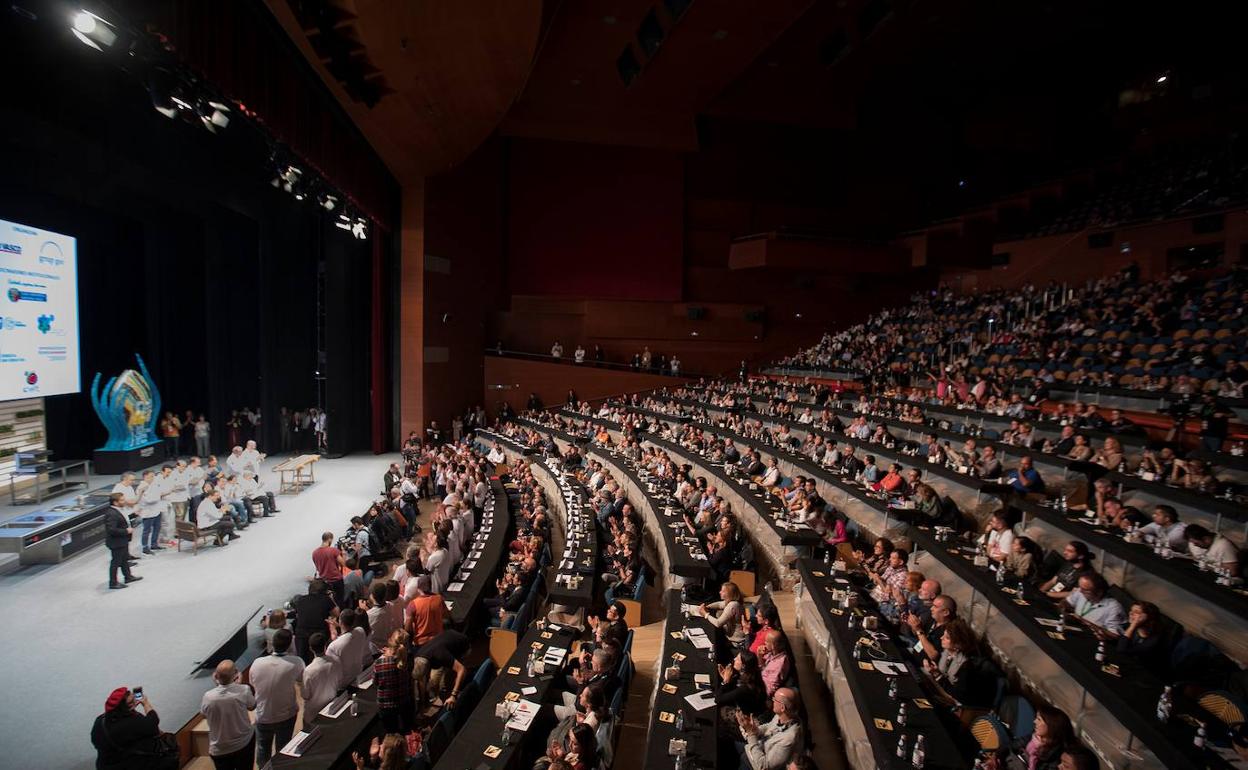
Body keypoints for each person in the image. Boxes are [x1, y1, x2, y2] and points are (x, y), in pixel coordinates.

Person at [249, 629, 305, 768]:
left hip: (263, 715)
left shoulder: (257, 663)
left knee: (263, 751)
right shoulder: (296, 662)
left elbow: (252, 682)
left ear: (272, 643)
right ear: (289, 645)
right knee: (283, 749)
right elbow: (301, 679)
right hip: (286, 714)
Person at [90, 687, 167, 770]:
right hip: (128, 765)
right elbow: (153, 722)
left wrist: (130, 709)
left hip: (104, 764)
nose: (135, 700)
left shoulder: (100, 720)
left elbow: (95, 741)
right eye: (131, 701)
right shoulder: (132, 722)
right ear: (124, 707)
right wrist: (145, 703)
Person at [199, 661, 256, 770]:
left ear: (216, 676)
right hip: (244, 743)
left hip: (220, 749)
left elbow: (203, 715)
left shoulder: (208, 697)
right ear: (235, 674)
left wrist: (221, 685)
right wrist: (237, 686)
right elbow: (252, 706)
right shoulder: (243, 690)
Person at [737, 687, 804, 770]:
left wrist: (751, 734)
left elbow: (763, 766)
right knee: (726, 742)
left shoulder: (789, 740)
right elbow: (768, 727)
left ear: (782, 708)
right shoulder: (784, 716)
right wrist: (753, 728)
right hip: (754, 749)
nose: (772, 701)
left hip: (752, 765)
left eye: (775, 699)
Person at [412, 629, 471, 709]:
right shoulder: (418, 656)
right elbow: (422, 680)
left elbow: (462, 669)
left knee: (452, 680)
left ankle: (458, 699)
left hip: (462, 646)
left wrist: (453, 695)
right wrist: (422, 703)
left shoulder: (440, 655)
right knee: (436, 682)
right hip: (445, 646)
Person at [375, 629, 414, 734]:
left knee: (391, 732)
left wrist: (385, 656)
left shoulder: (380, 662)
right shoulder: (408, 659)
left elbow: (376, 682)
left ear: (390, 642)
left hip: (386, 706)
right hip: (404, 702)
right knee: (406, 731)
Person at [292, 579, 338, 664]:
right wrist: (331, 599)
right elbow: (336, 613)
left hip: (301, 635)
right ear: (325, 591)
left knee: (303, 661)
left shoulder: (301, 599)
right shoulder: (326, 599)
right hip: (319, 635)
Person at [105, 493, 142, 590]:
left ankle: (128, 577)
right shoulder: (111, 513)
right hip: (117, 542)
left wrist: (134, 515)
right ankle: (113, 583)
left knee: (124, 560)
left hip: (123, 541)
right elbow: (111, 530)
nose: (124, 501)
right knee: (115, 563)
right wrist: (126, 531)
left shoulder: (119, 510)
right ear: (115, 502)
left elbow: (123, 520)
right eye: (122, 500)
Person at [1018, 706, 1074, 770]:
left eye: (1039, 719)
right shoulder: (1034, 737)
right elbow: (1012, 746)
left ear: (1051, 725)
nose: (1035, 721)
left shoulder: (1056, 755)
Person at [327, 609, 371, 687]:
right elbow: (348, 638)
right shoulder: (361, 631)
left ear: (340, 622)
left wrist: (333, 634)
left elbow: (331, 670)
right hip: (358, 673)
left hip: (343, 683)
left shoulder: (333, 646)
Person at [313, 532, 347, 604]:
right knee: (340, 600)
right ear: (329, 539)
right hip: (336, 580)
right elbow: (343, 564)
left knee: (329, 602)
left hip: (324, 582)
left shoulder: (314, 553)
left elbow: (318, 567)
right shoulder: (333, 550)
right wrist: (343, 553)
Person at [136, 470, 165, 554]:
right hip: (147, 512)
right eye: (151, 476)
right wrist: (158, 497)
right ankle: (145, 547)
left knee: (157, 528)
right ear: (145, 477)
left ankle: (154, 544)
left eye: (153, 476)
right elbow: (148, 500)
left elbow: (159, 493)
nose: (153, 478)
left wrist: (157, 496)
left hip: (157, 510)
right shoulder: (142, 487)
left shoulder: (154, 484)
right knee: (147, 530)